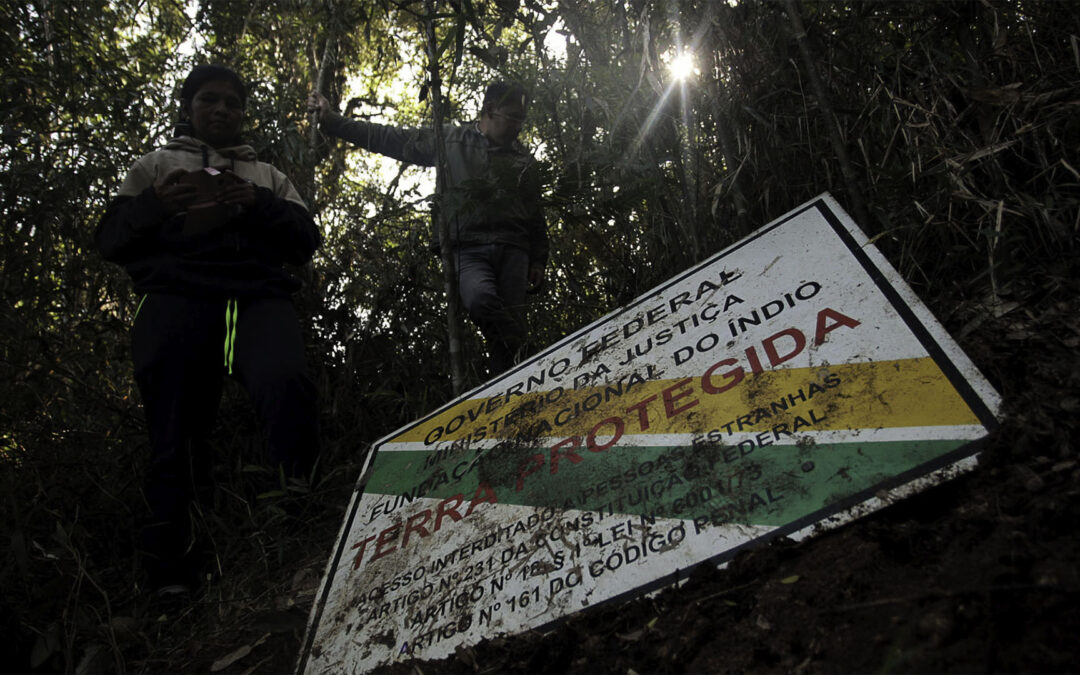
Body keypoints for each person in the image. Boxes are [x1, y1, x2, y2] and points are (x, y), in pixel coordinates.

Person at [96, 64, 322, 600]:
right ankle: (171, 570)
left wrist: (258, 204)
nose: (222, 110)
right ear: (189, 107)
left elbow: (305, 240)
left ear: (243, 115)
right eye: (209, 100)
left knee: (287, 387)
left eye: (232, 104)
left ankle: (303, 535)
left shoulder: (268, 175)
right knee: (174, 427)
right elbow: (109, 239)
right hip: (177, 299)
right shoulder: (154, 166)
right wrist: (157, 205)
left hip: (257, 300)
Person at [307, 81, 548, 376]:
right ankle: (536, 359)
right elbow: (392, 139)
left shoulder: (524, 160)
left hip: (515, 249)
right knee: (481, 300)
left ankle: (514, 398)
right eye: (512, 117)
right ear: (490, 110)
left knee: (505, 336)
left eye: (522, 119)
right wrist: (332, 121)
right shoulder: (451, 140)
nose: (518, 126)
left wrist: (538, 259)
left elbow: (535, 214)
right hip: (467, 248)